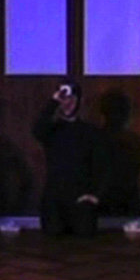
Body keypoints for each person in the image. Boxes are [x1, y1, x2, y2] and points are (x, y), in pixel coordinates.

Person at [33, 80, 109, 238]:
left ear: (79, 101)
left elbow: (103, 166)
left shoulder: (90, 132)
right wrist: (54, 101)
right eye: (64, 99)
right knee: (53, 233)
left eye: (71, 99)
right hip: (54, 198)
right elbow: (38, 129)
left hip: (80, 198)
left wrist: (95, 195)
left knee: (84, 232)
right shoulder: (52, 131)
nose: (67, 103)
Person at [99, 90, 140, 215]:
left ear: (103, 113)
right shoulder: (136, 143)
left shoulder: (92, 140)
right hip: (130, 208)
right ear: (128, 114)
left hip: (99, 208)